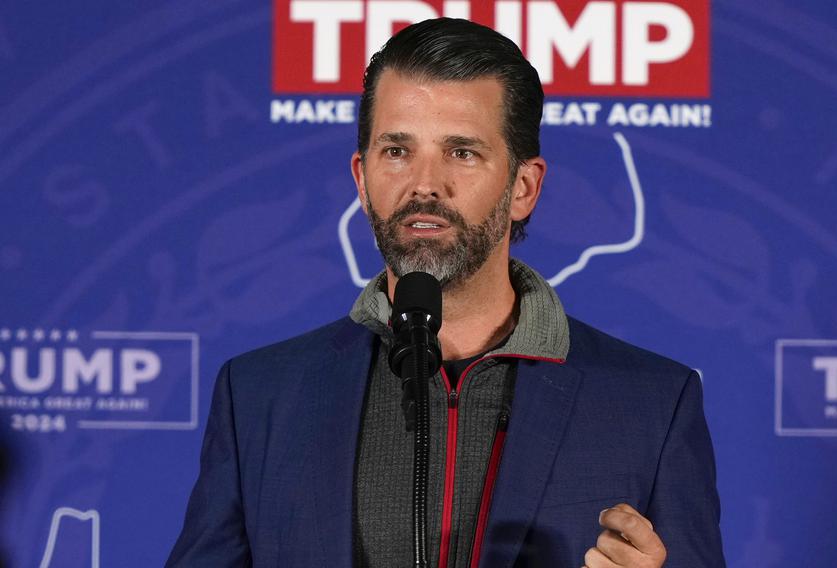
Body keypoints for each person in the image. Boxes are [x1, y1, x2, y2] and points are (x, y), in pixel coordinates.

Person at [167, 18, 724, 568]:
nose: (425, 183)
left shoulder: (653, 403)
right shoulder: (259, 395)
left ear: (523, 188)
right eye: (397, 151)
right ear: (362, 179)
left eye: (462, 152)